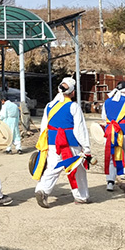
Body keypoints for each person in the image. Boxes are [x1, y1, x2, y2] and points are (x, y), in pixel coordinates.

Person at [33, 78, 92, 208]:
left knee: (53, 166)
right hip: (70, 142)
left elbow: (44, 127)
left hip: (53, 141)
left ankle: (42, 189)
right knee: (77, 169)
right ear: (72, 92)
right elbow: (79, 129)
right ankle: (81, 196)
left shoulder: (49, 106)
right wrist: (86, 147)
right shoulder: (73, 106)